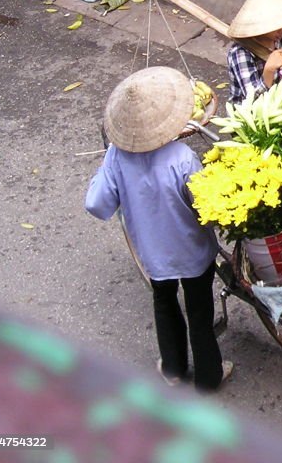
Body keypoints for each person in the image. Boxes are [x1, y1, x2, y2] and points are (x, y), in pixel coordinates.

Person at [85, 66, 232, 391]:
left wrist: (106, 170)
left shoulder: (116, 156)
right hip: (193, 252)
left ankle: (174, 369)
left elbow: (97, 205)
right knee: (199, 311)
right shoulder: (182, 157)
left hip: (152, 255)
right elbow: (204, 207)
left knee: (164, 303)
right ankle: (209, 377)